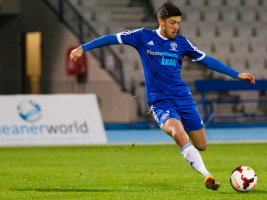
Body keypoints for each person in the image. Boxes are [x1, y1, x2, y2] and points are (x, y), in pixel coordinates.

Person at [70, 2, 255, 191]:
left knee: (201, 145)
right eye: (173, 22)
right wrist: (82, 48)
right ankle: (207, 176)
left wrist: (236, 74)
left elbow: (207, 60)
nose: (176, 26)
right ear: (161, 22)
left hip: (183, 98)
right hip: (160, 101)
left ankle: (188, 148)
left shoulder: (181, 43)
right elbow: (112, 38)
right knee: (178, 132)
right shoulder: (143, 36)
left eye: (178, 23)